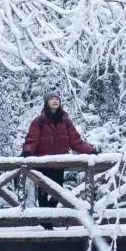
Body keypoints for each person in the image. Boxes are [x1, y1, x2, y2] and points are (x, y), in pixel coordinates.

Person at [20, 91, 98, 226]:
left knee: (58, 192)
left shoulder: (65, 121)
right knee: (43, 193)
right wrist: (27, 151)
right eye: (52, 99)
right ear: (46, 102)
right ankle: (46, 222)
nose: (55, 101)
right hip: (42, 163)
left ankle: (47, 218)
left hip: (60, 162)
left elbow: (75, 141)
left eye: (57, 99)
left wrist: (90, 150)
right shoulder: (39, 121)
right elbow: (32, 139)